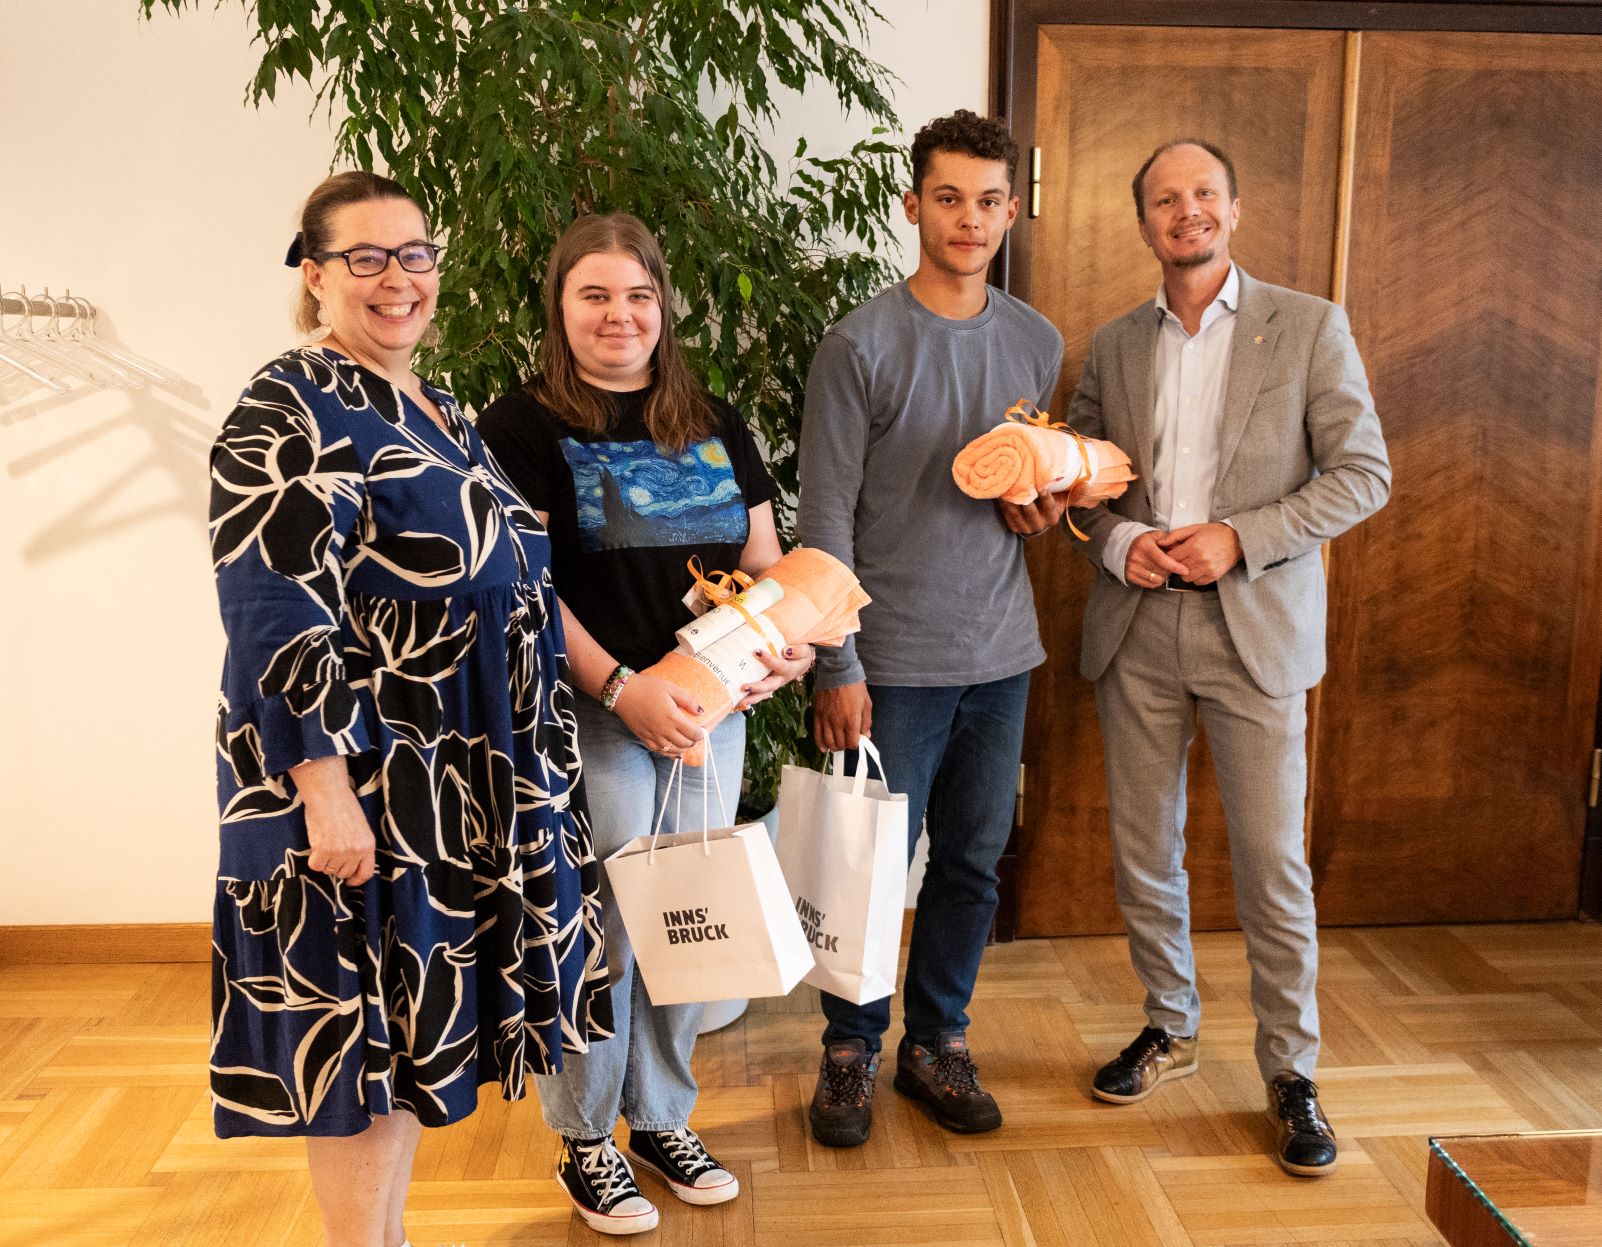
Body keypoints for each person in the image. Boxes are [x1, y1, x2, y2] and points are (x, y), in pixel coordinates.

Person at [207, 171, 613, 1247]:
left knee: (405, 1039)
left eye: (416, 253)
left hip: (456, 783)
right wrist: (325, 790)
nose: (399, 279)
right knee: (361, 1045)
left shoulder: (438, 405)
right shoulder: (287, 404)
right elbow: (271, 607)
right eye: (367, 258)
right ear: (314, 275)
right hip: (370, 784)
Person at [477, 212, 812, 1235]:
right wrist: (624, 687)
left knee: (687, 921)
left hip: (715, 712)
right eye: (594, 295)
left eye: (636, 294)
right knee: (605, 932)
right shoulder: (523, 425)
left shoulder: (710, 414)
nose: (618, 315)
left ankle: (664, 1114)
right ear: (560, 308)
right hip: (596, 715)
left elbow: (764, 562)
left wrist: (781, 645)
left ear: (662, 302)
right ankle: (587, 1144)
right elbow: (524, 588)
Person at [1067, 139, 1391, 1176]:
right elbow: (1082, 477)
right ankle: (1170, 1020)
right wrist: (1122, 540)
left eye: (1203, 193)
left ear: (1235, 209)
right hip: (1138, 623)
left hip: (1256, 626)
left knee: (1270, 863)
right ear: (1145, 222)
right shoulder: (1113, 345)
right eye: (1165, 198)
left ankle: (1291, 1072)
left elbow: (1364, 474)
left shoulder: (1310, 325)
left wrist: (1240, 535)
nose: (1186, 211)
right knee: (1142, 848)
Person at [796, 110, 1064, 1147]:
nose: (970, 218)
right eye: (948, 197)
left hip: (1002, 654)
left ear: (1009, 210)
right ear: (912, 205)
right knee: (867, 865)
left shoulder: (1035, 338)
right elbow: (824, 518)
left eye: (990, 200)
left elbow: (1033, 494)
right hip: (889, 662)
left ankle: (935, 1040)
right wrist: (838, 661)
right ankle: (850, 1048)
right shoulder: (858, 344)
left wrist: (1042, 512)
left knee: (972, 860)